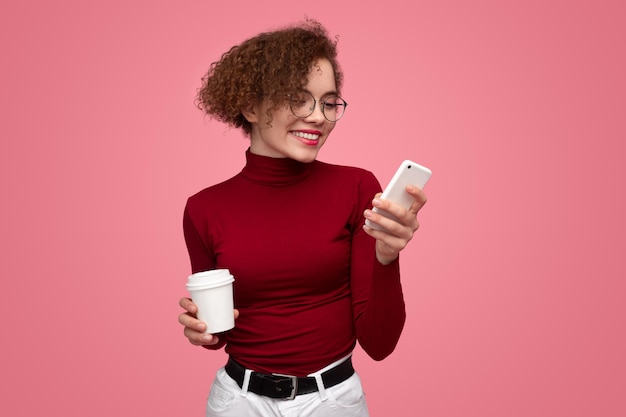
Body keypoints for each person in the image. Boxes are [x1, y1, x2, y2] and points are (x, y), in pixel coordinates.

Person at [178, 18, 428, 417]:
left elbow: (379, 344)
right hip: (237, 402)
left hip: (333, 401)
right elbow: (219, 334)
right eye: (297, 98)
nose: (318, 117)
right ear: (249, 106)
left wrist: (386, 258)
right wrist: (202, 331)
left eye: (328, 102)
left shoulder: (357, 188)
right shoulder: (204, 208)